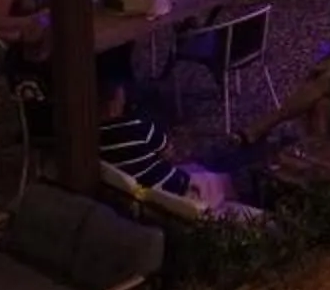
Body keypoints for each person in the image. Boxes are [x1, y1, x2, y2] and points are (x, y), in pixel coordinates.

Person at [97, 82, 235, 211]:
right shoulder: (139, 128)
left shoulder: (93, 138)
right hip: (172, 192)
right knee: (224, 181)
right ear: (112, 105)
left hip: (137, 195)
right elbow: (168, 154)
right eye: (121, 100)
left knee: (196, 168)